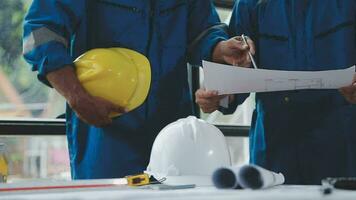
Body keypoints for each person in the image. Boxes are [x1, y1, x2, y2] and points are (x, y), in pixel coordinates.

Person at [23, 0, 223, 179]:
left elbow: (205, 32)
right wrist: (77, 97)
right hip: (104, 131)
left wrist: (220, 48)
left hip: (172, 131)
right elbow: (39, 31)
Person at [196, 0, 356, 185]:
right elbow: (235, 75)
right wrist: (218, 96)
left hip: (342, 143)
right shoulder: (250, 5)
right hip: (275, 147)